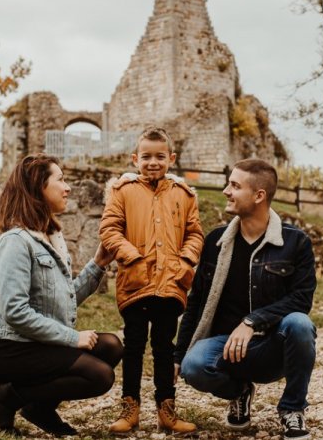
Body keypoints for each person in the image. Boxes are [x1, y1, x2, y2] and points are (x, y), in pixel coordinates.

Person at [0, 153, 123, 437]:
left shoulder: (51, 237)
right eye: (60, 179)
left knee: (111, 346)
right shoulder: (15, 243)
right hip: (11, 349)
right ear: (38, 187)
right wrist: (73, 338)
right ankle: (2, 398)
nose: (67, 187)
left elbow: (65, 298)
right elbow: (15, 312)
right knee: (99, 375)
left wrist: (98, 264)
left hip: (38, 344)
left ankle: (38, 408)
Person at [174, 159, 317, 440]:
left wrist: (253, 321)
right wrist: (178, 356)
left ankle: (292, 409)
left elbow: (301, 299)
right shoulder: (216, 242)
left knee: (300, 324)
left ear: (259, 195)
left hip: (274, 346)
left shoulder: (295, 242)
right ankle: (240, 391)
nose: (226, 191)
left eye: (235, 186)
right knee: (193, 366)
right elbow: (197, 301)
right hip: (227, 349)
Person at [99, 127, 204, 435]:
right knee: (133, 346)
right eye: (146, 156)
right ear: (135, 159)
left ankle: (166, 411)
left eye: (160, 156)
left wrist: (185, 261)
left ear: (171, 159)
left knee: (163, 348)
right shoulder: (123, 191)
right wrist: (131, 255)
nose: (153, 162)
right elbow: (109, 228)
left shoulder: (183, 195)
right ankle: (130, 410)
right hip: (135, 282)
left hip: (170, 284)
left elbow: (195, 233)